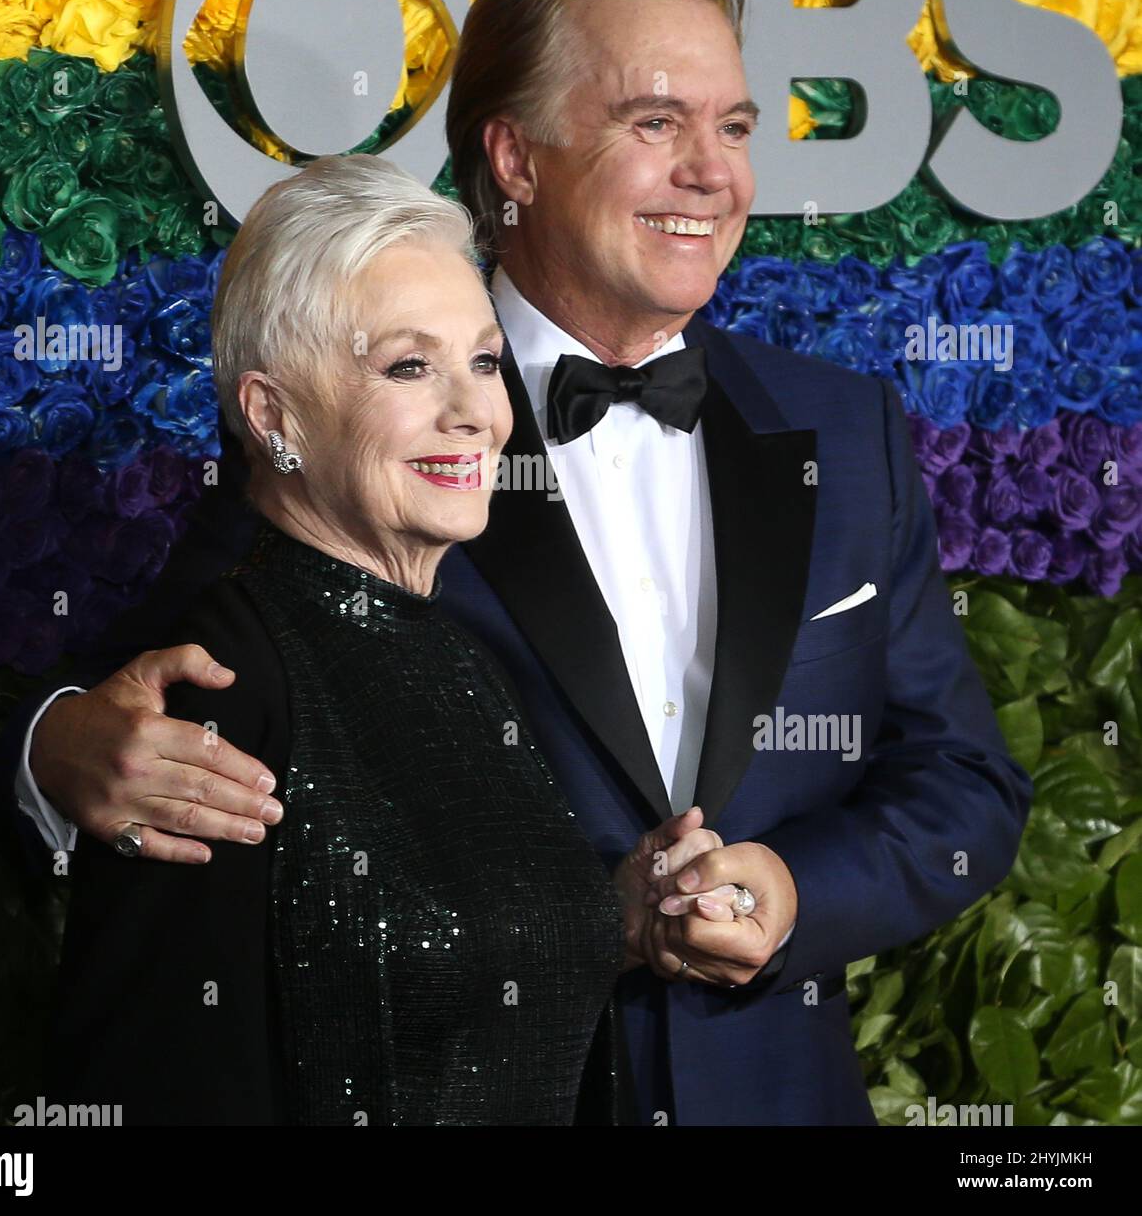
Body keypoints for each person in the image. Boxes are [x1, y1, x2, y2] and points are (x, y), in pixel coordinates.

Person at [4, 0, 1032, 1126]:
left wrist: (798, 892)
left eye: (736, 127)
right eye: (655, 123)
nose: (713, 171)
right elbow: (193, 660)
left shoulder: (846, 431)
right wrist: (56, 744)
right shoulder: (388, 424)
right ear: (516, 157)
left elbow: (964, 779)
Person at [47, 154, 707, 1125]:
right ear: (274, 418)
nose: (476, 411)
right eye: (408, 365)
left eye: (484, 361)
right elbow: (157, 1078)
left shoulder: (465, 658)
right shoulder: (218, 687)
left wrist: (614, 914)